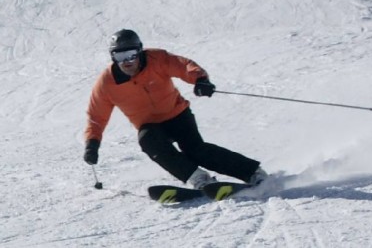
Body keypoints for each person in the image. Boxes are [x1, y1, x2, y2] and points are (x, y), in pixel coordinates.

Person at [83, 29, 266, 189]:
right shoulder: (107, 83)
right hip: (150, 125)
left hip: (177, 115)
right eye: (119, 56)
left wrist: (200, 80)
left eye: (130, 54)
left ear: (139, 51)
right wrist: (92, 143)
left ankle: (253, 173)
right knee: (148, 141)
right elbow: (96, 117)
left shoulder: (156, 59)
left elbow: (183, 65)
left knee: (195, 150)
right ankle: (199, 179)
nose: (126, 61)